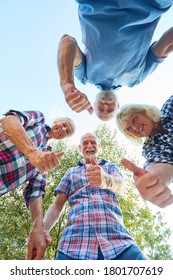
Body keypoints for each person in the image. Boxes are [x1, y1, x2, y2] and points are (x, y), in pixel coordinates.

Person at [58, 0, 173, 120]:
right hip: (151, 4)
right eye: (110, 110)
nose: (106, 105)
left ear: (94, 103)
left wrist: (66, 83)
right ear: (118, 106)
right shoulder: (136, 79)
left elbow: (67, 41)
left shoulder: (85, 75)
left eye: (101, 109)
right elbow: (165, 46)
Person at [43, 133, 147, 260]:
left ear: (99, 146)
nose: (89, 145)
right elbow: (57, 206)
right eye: (85, 143)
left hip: (119, 242)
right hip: (73, 246)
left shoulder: (110, 167)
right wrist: (42, 231)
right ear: (79, 147)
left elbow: (121, 186)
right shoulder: (71, 172)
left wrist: (107, 180)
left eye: (93, 142)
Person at [0, 109, 75, 260]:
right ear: (56, 122)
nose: (63, 129)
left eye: (67, 131)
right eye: (64, 124)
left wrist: (38, 227)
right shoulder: (39, 120)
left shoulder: (46, 157)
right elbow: (9, 121)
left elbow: (35, 191)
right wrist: (33, 153)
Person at [116, 95, 173, 208]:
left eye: (134, 119)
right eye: (129, 129)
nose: (135, 128)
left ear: (144, 112)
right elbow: (159, 165)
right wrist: (154, 179)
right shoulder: (151, 148)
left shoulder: (169, 108)